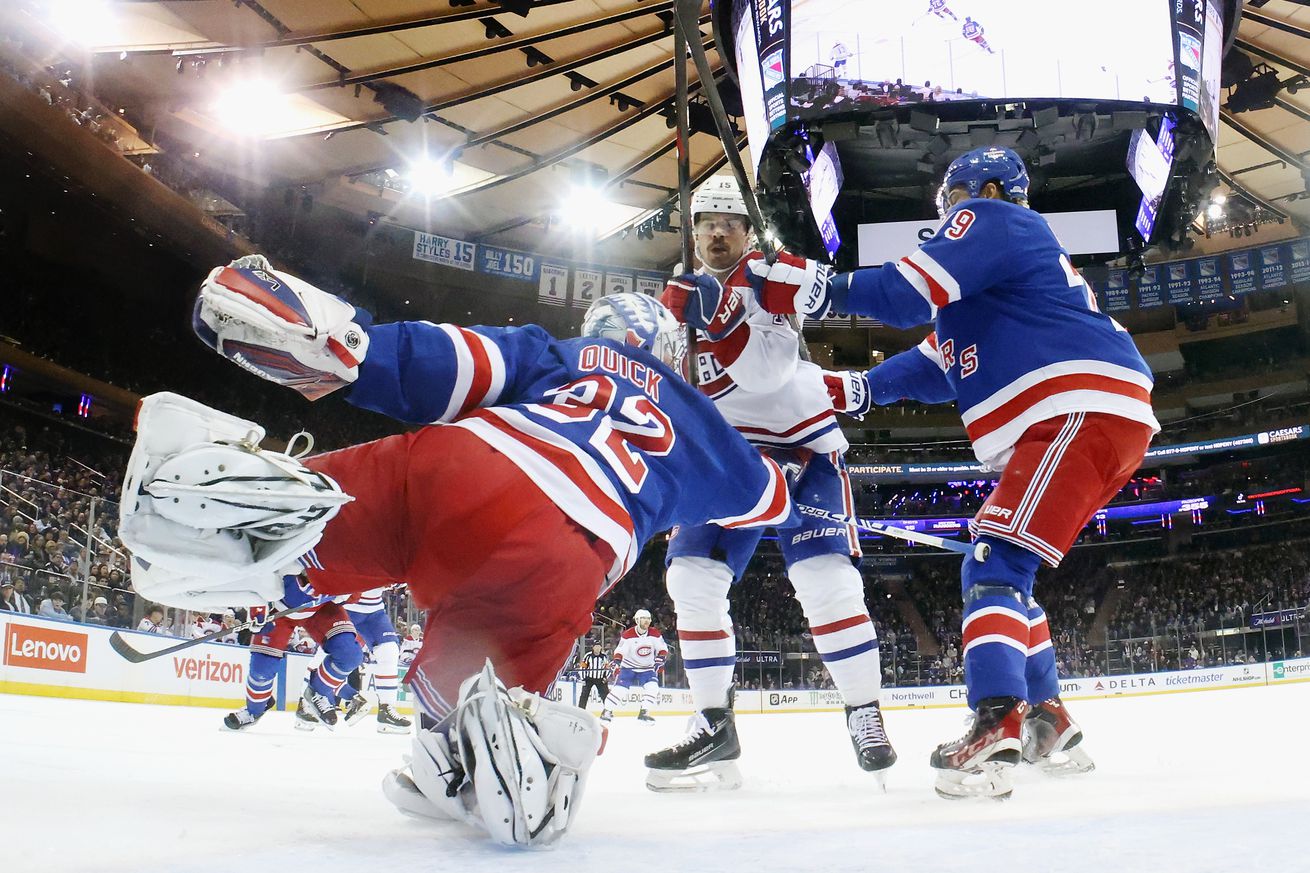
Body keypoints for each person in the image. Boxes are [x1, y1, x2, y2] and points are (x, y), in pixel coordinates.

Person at [121, 260, 792, 847]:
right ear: (670, 352)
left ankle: (212, 510)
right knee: (468, 693)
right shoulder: (696, 419)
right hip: (561, 542)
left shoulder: (563, 353)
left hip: (461, 462)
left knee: (317, 509)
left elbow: (460, 360)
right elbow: (765, 497)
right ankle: (482, 757)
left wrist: (362, 349)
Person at [752, 146, 1158, 799]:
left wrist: (812, 283)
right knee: (1007, 570)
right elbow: (933, 361)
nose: (946, 217)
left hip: (1076, 410)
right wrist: (846, 389)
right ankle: (1047, 716)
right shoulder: (989, 288)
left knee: (991, 564)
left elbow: (899, 296)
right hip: (1081, 413)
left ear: (990, 188)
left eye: (952, 202)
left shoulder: (996, 220)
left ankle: (998, 718)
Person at [653, 175, 896, 791]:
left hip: (800, 450)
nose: (714, 233)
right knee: (690, 578)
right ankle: (713, 723)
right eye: (704, 222)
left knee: (826, 582)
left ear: (746, 231)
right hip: (726, 457)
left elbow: (763, 374)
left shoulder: (767, 281)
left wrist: (719, 317)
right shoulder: (677, 298)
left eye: (726, 223)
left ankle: (864, 712)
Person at [223, 598, 366, 732]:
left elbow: (355, 577)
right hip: (279, 606)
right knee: (262, 670)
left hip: (322, 605)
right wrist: (258, 608)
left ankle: (317, 692)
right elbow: (259, 575)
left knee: (350, 654)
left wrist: (348, 592)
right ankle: (254, 710)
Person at [341, 586, 413, 733]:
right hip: (345, 605)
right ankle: (306, 703)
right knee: (332, 655)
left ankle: (386, 710)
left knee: (389, 651)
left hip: (374, 610)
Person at [600, 609, 667, 724]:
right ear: (637, 620)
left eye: (648, 619)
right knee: (620, 691)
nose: (647, 621)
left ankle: (644, 713)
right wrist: (617, 661)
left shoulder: (655, 634)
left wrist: (660, 658)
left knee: (653, 688)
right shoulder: (628, 635)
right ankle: (607, 711)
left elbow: (663, 649)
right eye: (644, 619)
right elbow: (620, 650)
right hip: (628, 668)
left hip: (647, 668)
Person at [577, 641, 610, 710]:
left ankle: (608, 711)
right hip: (589, 679)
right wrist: (583, 679)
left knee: (605, 696)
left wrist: (606, 678)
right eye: (596, 646)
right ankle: (581, 710)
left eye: (599, 646)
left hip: (601, 679)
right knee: (584, 695)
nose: (597, 648)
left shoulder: (604, 657)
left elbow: (607, 668)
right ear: (593, 647)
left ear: (601, 647)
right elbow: (583, 667)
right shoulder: (588, 656)